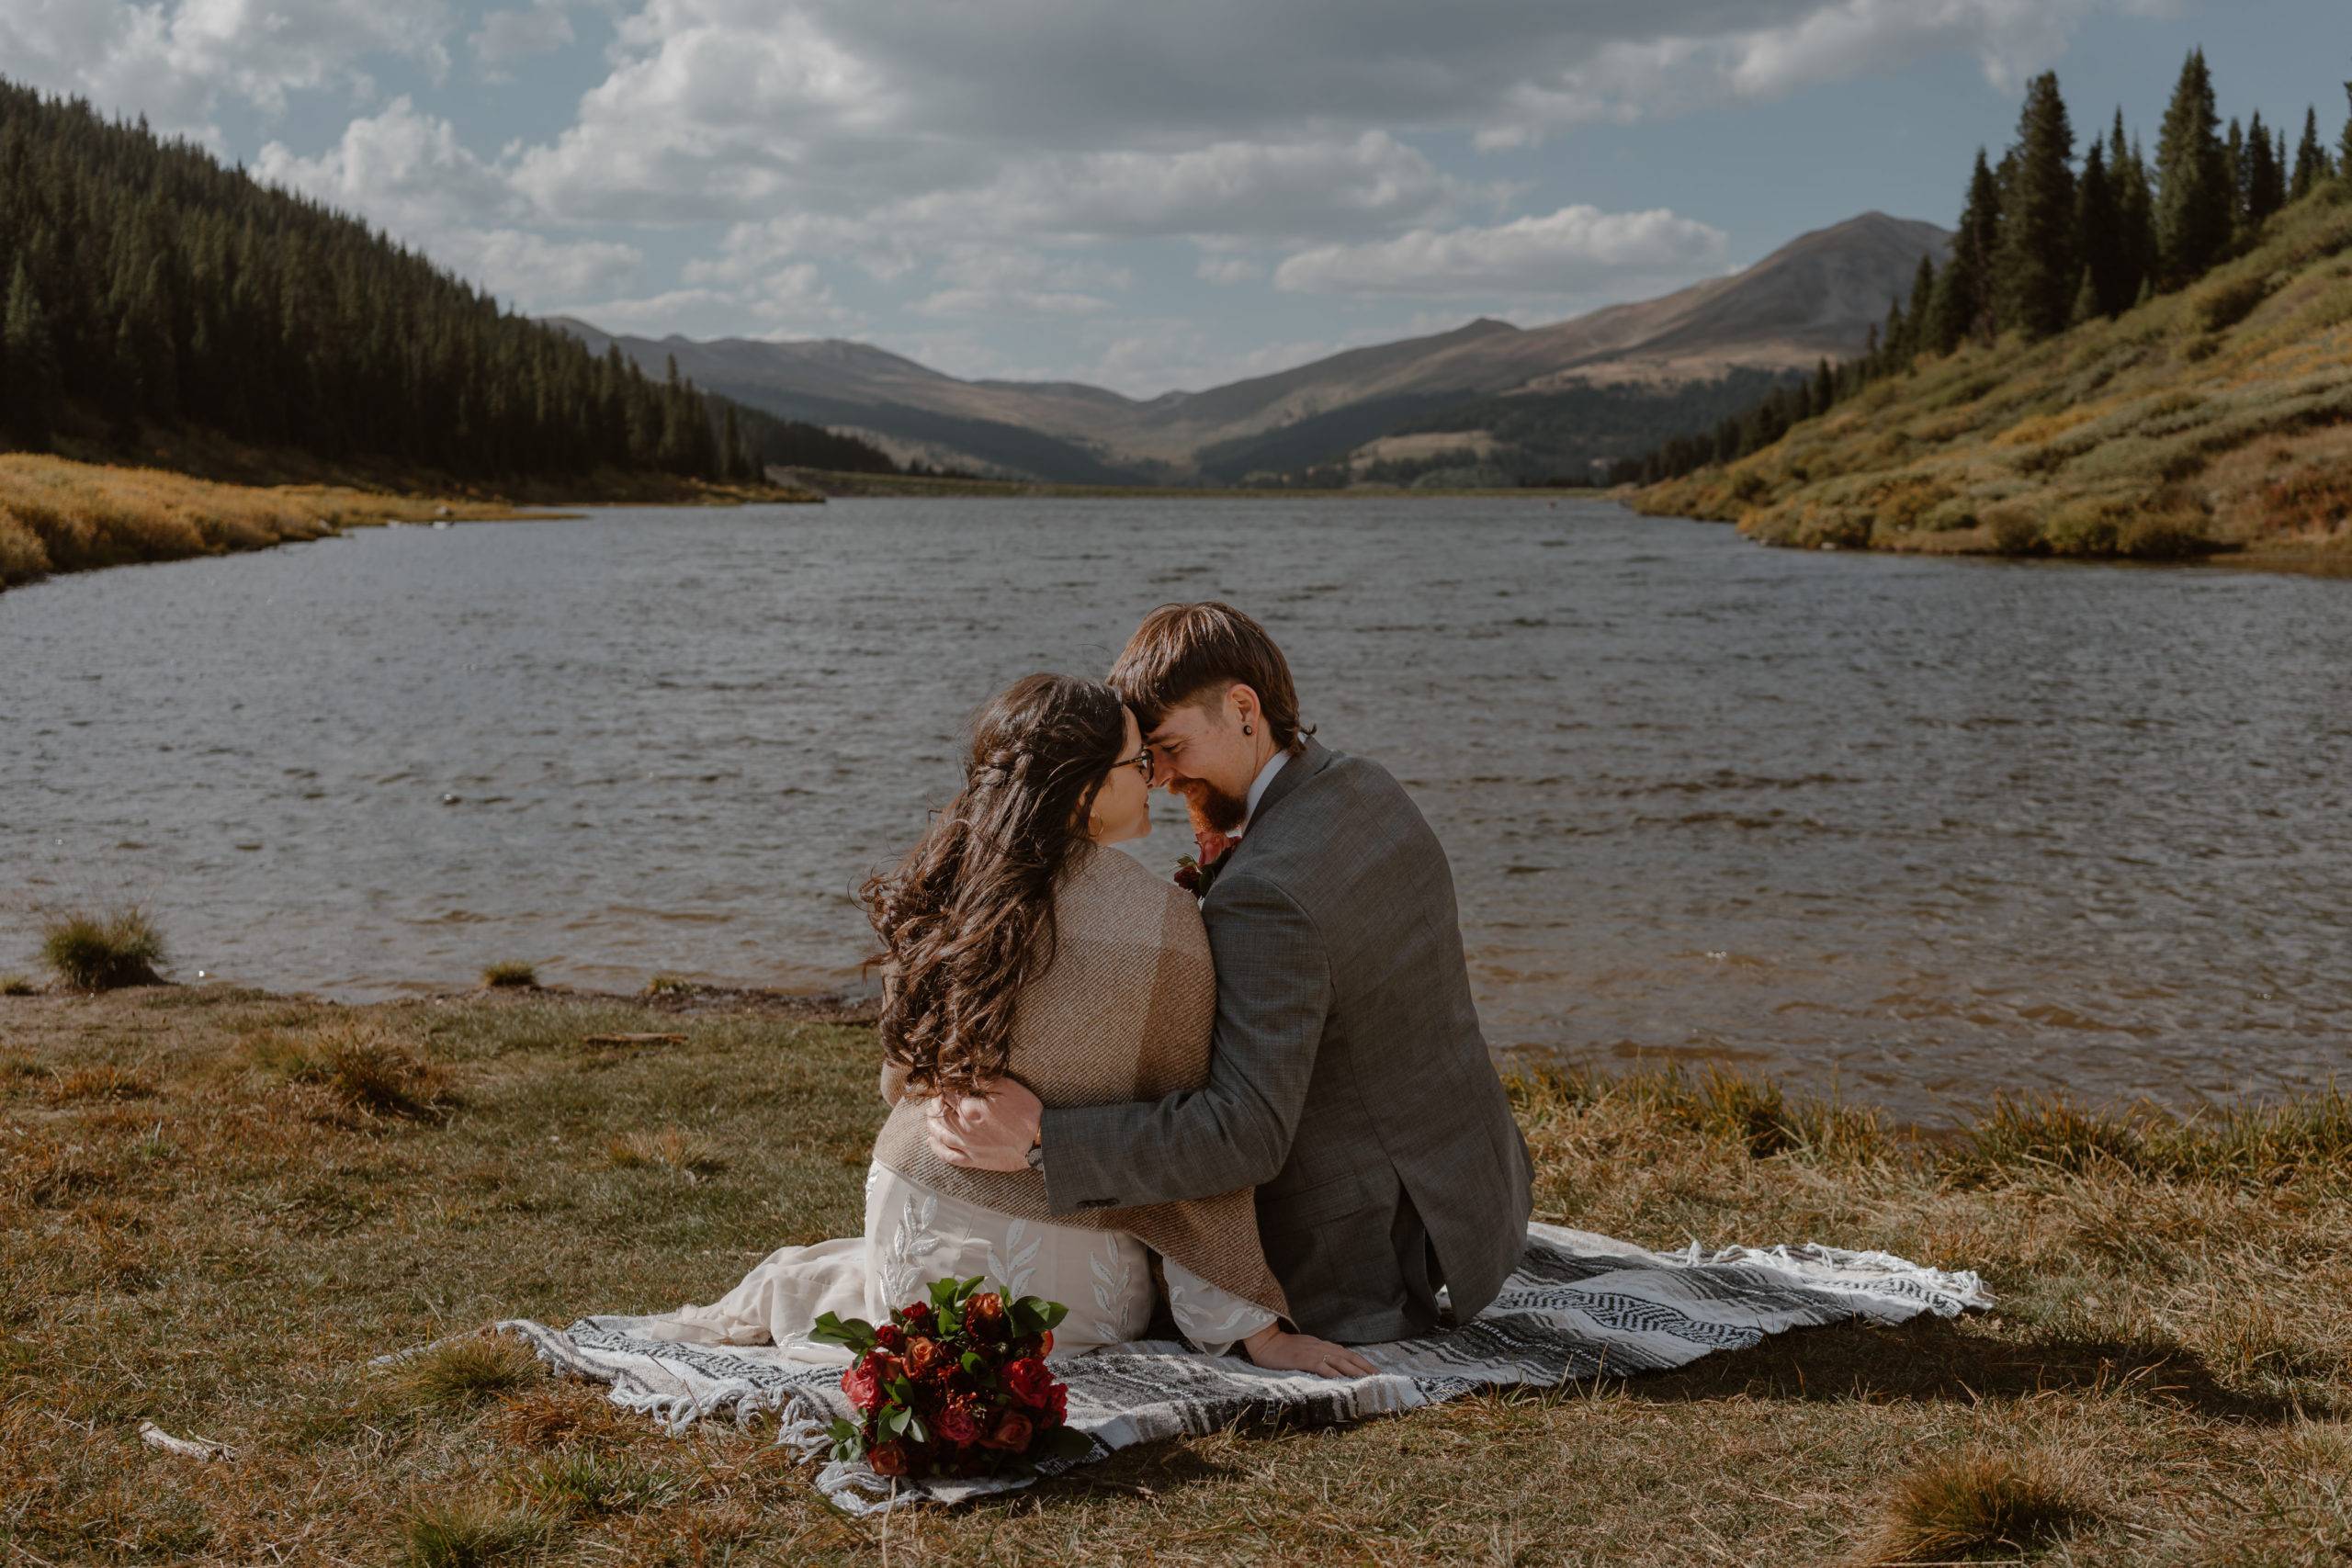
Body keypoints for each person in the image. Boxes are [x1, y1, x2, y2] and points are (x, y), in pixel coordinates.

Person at [622, 671, 1374, 1377]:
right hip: (1057, 1283)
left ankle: (854, 1287)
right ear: (1080, 792)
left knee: (910, 1279)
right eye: (1137, 762)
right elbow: (1185, 1156)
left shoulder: (948, 888)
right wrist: (1253, 1328)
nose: (1156, 777)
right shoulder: (1167, 925)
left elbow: (901, 1082)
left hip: (906, 1209)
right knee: (1097, 1285)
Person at [930, 604, 1534, 1344]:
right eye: (1146, 760)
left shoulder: (1263, 890)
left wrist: (1042, 1141)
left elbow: (1243, 1134)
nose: (1159, 780)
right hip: (1474, 1201)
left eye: (1172, 748)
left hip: (1354, 1259)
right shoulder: (1368, 787)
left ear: (1244, 708)